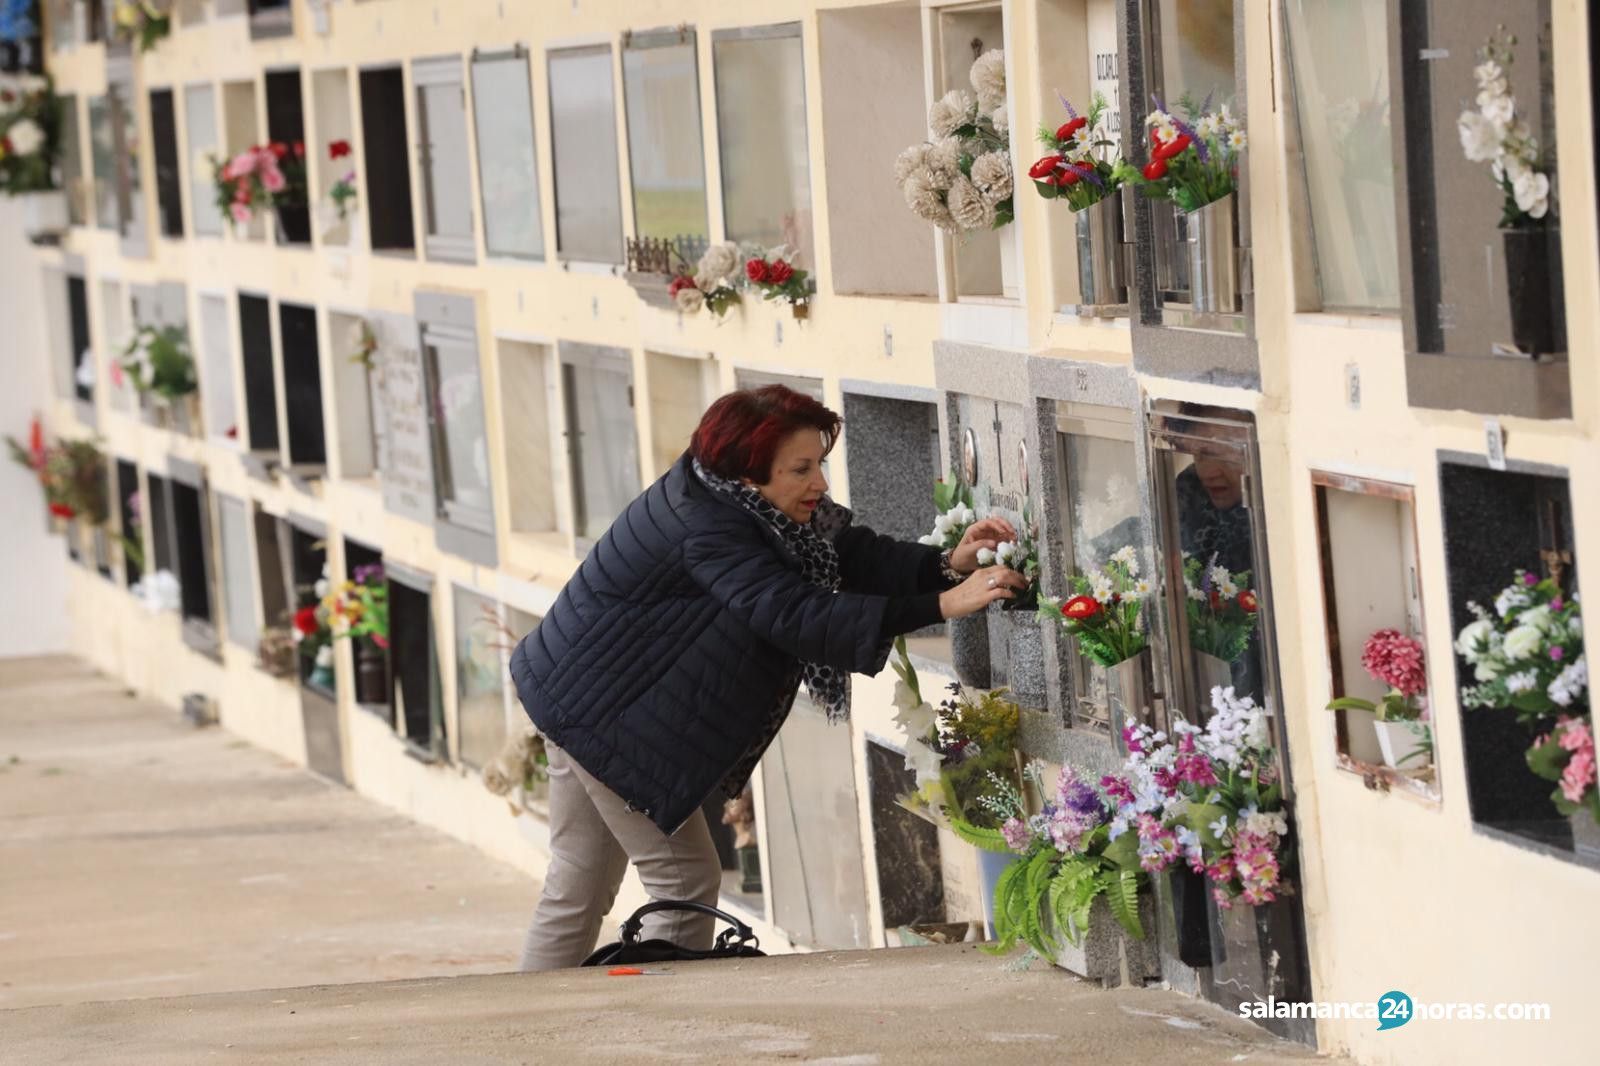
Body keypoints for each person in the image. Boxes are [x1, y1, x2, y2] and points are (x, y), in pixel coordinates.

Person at [510, 385, 1026, 970]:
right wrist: (942, 604)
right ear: (748, 471)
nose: (821, 484)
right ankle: (661, 1036)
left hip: (575, 693)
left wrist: (942, 565)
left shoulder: (743, 503)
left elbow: (848, 554)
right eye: (801, 469)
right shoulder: (708, 525)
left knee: (577, 884)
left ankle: (530, 1031)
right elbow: (792, 614)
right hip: (604, 715)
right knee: (685, 887)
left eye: (820, 464)